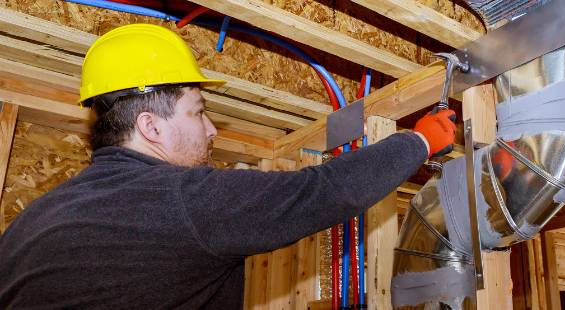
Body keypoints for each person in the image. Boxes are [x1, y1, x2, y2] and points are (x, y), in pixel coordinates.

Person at [0, 24, 456, 308]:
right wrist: (420, 139)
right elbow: (322, 191)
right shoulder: (184, 199)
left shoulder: (30, 222)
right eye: (199, 111)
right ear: (151, 127)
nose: (213, 130)